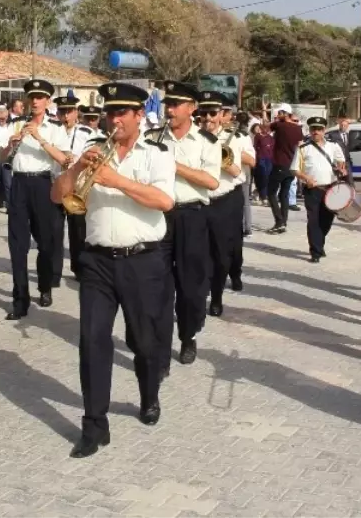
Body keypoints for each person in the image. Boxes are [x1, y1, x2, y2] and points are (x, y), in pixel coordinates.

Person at [51, 81, 175, 458]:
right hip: (98, 261)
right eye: (110, 112)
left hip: (143, 260)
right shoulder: (93, 150)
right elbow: (59, 196)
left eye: (122, 112)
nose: (115, 119)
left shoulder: (157, 153)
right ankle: (94, 425)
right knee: (92, 340)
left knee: (144, 340)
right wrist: (76, 170)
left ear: (139, 115)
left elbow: (164, 201)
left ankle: (148, 394)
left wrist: (116, 180)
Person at [152, 83, 218, 366]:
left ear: (192, 108)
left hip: (192, 217)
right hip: (160, 216)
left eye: (176, 104)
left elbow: (212, 181)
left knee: (191, 286)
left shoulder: (207, 142)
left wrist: (173, 164)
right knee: (158, 283)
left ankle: (188, 335)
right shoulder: (152, 138)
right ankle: (159, 340)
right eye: (168, 104)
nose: (170, 109)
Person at [2, 79, 70, 318]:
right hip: (19, 182)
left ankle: (44, 287)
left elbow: (63, 160)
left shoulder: (55, 128)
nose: (35, 101)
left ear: (47, 101)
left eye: (40, 97)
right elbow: (1, 159)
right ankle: (20, 300)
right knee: (17, 246)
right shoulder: (16, 124)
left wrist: (40, 138)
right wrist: (10, 146)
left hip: (43, 183)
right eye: (32, 97)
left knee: (46, 243)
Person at [205, 96, 254, 310]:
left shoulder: (236, 137)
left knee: (226, 250)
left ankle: (217, 294)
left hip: (227, 197)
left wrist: (226, 156)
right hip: (201, 199)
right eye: (204, 113)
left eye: (214, 113)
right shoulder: (195, 138)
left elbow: (249, 163)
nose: (209, 118)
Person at [293, 117, 349, 263]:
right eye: (313, 129)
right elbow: (295, 170)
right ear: (310, 131)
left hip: (330, 189)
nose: (316, 132)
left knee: (327, 220)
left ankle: (319, 243)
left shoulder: (333, 146)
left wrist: (341, 168)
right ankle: (315, 251)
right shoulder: (303, 148)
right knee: (314, 221)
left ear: (324, 130)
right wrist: (306, 178)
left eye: (319, 129)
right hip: (313, 190)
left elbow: (341, 161)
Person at [53, 95, 95, 280]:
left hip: (77, 185)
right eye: (62, 111)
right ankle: (53, 271)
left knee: (78, 230)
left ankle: (78, 268)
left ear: (76, 112)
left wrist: (75, 159)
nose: (65, 115)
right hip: (56, 182)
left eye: (69, 111)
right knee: (54, 230)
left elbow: (93, 155)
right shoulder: (52, 131)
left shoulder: (86, 132)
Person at [266, 104, 304, 234]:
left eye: (279, 112)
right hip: (292, 166)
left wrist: (267, 112)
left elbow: (265, 127)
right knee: (284, 194)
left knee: (271, 193)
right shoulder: (298, 129)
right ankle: (284, 222)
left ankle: (279, 222)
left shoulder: (279, 125)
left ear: (284, 113)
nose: (277, 115)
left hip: (280, 164)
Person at [252, 123, 274, 205]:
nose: (267, 130)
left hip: (269, 159)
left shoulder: (271, 138)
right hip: (261, 158)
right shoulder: (258, 136)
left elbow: (273, 148)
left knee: (267, 177)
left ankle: (260, 193)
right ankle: (263, 196)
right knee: (263, 176)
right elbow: (255, 147)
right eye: (265, 128)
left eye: (268, 128)